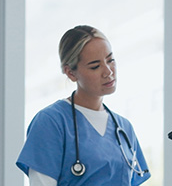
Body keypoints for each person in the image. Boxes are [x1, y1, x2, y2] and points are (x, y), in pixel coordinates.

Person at [16, 25, 151, 186]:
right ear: (71, 73)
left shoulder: (124, 128)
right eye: (95, 66)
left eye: (110, 60)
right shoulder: (51, 122)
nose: (108, 71)